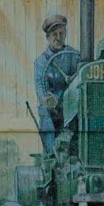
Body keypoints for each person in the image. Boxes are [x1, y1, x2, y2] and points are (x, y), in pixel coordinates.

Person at [33, 13, 79, 154]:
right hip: (52, 109)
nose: (58, 38)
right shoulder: (41, 62)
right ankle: (51, 156)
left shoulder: (74, 56)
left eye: (61, 33)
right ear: (48, 38)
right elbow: (41, 88)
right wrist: (49, 101)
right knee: (47, 117)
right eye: (54, 34)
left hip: (71, 105)